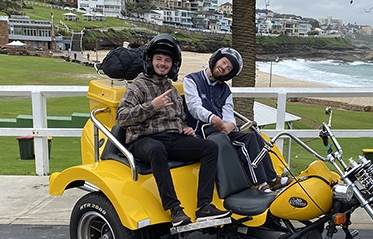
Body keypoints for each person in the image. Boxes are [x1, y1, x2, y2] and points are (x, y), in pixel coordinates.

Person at [116, 34, 231, 227]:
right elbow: (121, 117)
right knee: (156, 149)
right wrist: (152, 106)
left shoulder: (171, 88)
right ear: (150, 60)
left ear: (173, 65)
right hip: (144, 140)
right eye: (159, 59)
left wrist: (184, 128)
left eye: (167, 60)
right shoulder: (138, 86)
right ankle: (174, 209)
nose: (163, 63)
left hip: (171, 138)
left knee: (210, 148)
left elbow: (179, 117)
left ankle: (204, 206)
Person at [183, 47, 294, 193]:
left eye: (229, 68)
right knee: (244, 142)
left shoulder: (225, 90)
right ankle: (260, 184)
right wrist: (212, 118)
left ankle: (272, 179)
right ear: (215, 60)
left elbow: (228, 113)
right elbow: (194, 107)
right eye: (223, 62)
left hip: (220, 130)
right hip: (202, 132)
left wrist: (230, 125)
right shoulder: (192, 80)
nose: (224, 68)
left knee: (254, 135)